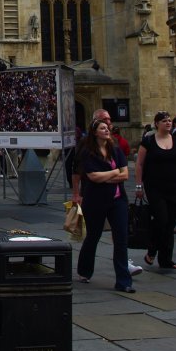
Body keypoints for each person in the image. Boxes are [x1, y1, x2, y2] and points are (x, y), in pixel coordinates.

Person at [76, 118, 135, 292]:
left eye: (107, 128)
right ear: (95, 132)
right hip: (95, 201)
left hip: (118, 200)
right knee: (93, 236)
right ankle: (84, 270)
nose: (107, 130)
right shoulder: (88, 152)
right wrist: (115, 172)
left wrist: (108, 176)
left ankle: (124, 281)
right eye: (102, 128)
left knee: (121, 239)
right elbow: (93, 177)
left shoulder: (115, 150)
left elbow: (125, 175)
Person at [135, 111, 176, 269]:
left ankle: (166, 259)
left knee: (170, 223)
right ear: (157, 124)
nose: (168, 123)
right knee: (161, 219)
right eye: (164, 121)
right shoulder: (148, 141)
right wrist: (139, 185)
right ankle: (152, 250)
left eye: (169, 121)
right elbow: (139, 164)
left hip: (173, 187)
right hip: (155, 188)